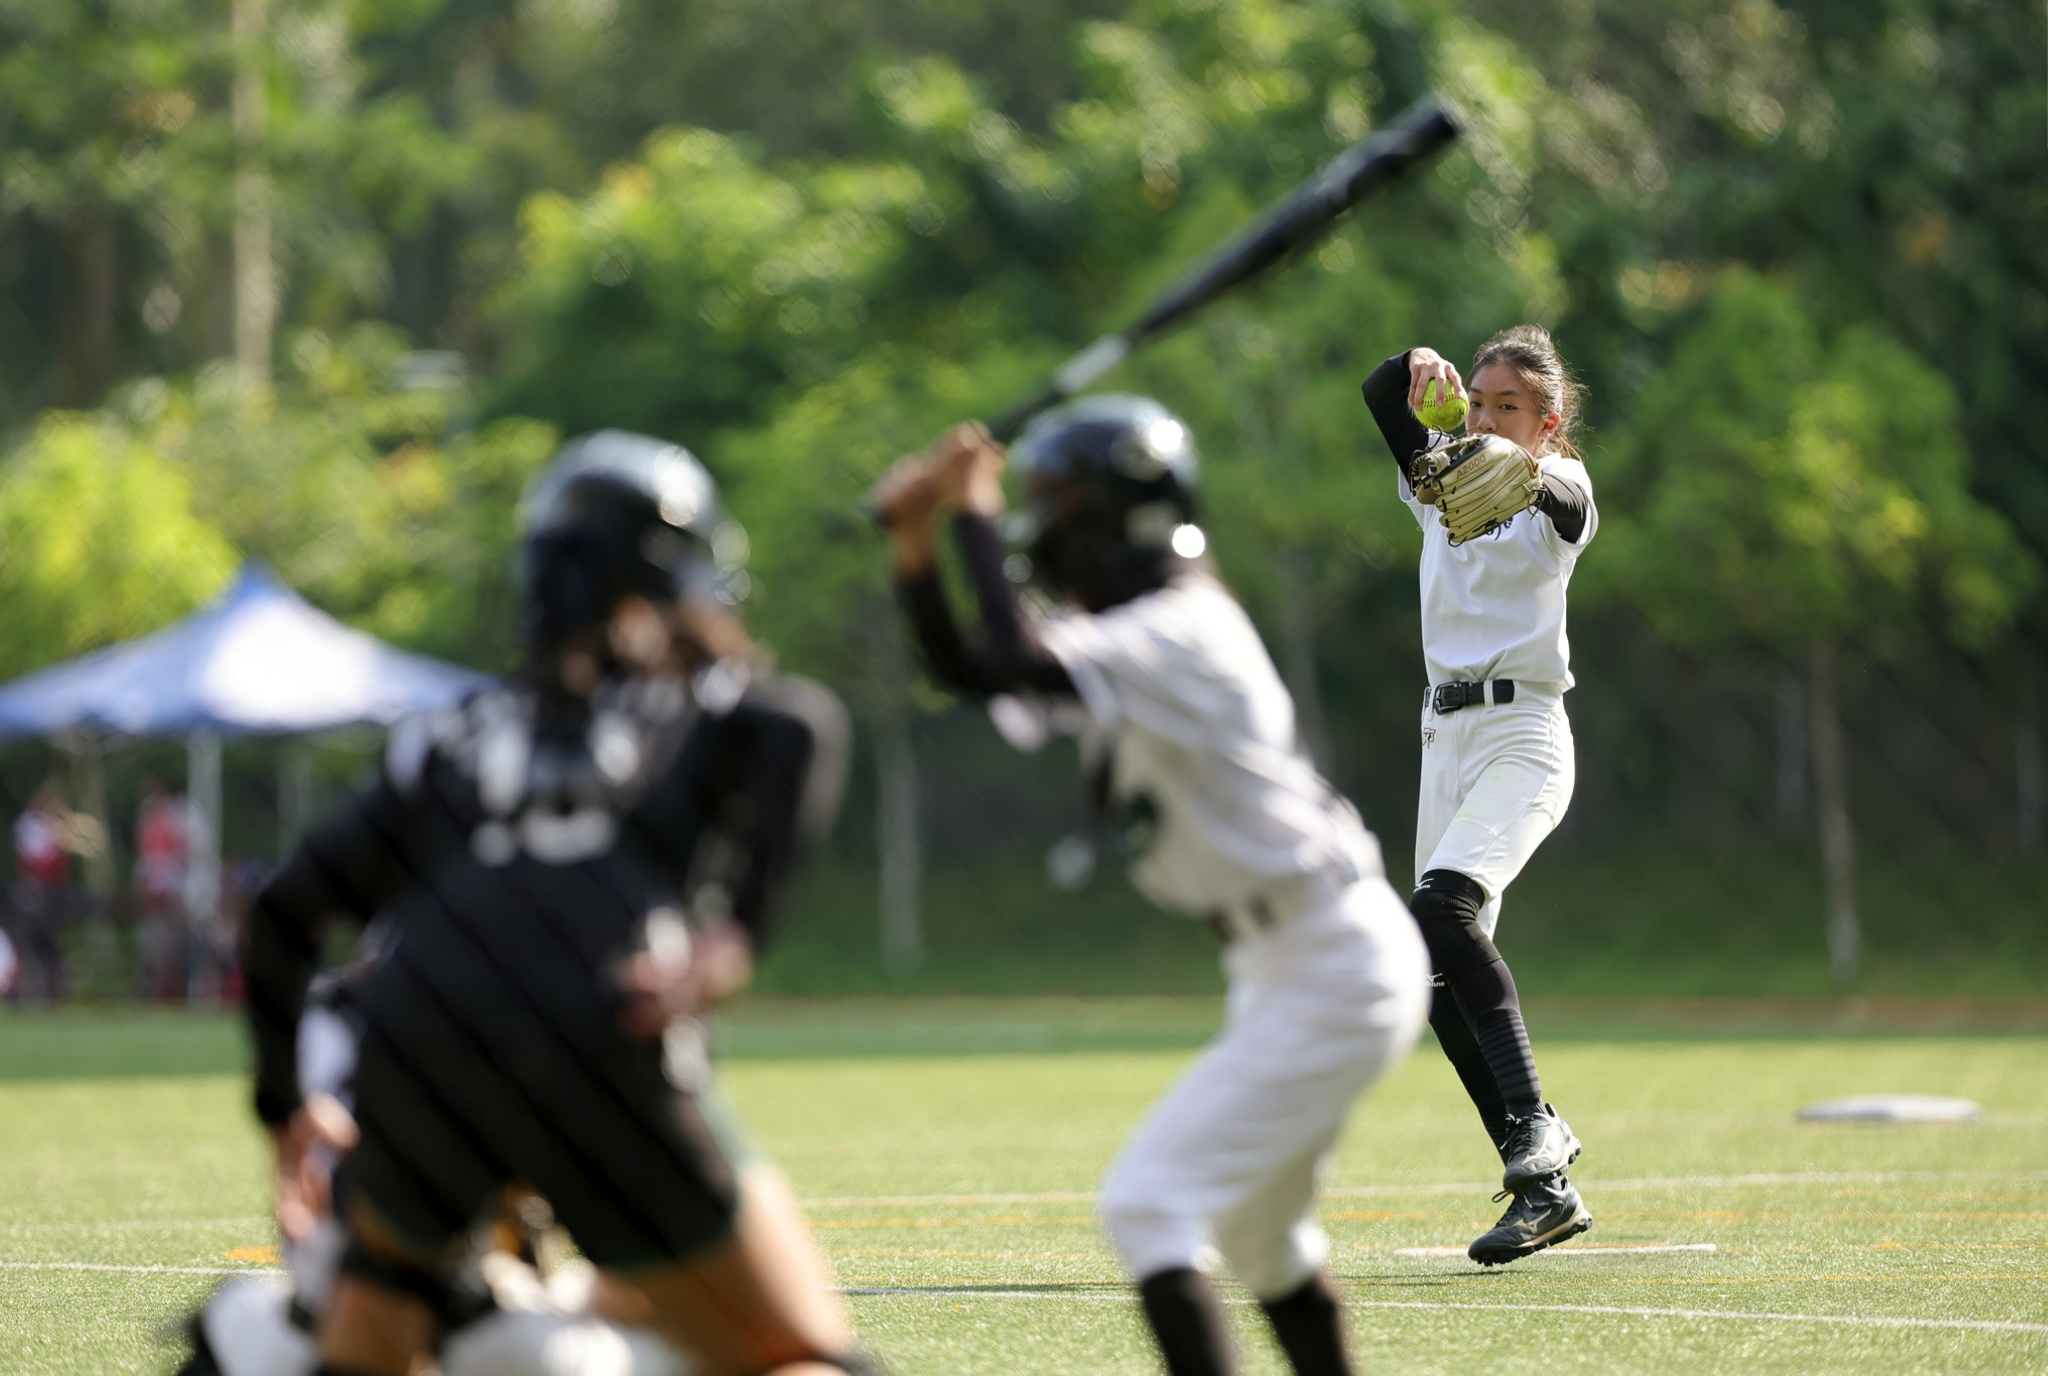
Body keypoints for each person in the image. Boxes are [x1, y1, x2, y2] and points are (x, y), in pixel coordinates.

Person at [240, 430, 866, 1376]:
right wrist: (733, 936)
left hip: (416, 1034)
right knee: (799, 1354)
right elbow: (801, 723)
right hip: (590, 1022)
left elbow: (282, 912)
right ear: (674, 566)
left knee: (371, 1348)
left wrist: (284, 1103)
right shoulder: (695, 695)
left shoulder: (453, 732)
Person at [872, 399, 1430, 1376]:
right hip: (1288, 956)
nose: (1036, 527)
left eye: (1053, 505)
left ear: (1104, 519)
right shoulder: (1140, 631)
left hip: (1331, 950)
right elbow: (976, 667)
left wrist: (968, 507)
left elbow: (1008, 652)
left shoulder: (1180, 627)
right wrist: (918, 545)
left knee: (1146, 1200)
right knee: (1263, 1241)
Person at [1357, 325, 1597, 1265]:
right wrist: (1416, 366)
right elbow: (1381, 393)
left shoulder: (1557, 492)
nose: (1492, 418)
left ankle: (1538, 1125)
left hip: (1523, 734)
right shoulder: (1440, 482)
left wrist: (1523, 466)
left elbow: (1569, 501)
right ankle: (1542, 1186)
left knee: (1442, 910)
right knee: (1428, 962)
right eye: (1483, 400)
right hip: (1443, 741)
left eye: (1512, 407)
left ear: (1548, 420)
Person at [134, 776, 195, 1002]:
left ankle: (174, 990)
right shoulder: (146, 821)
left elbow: (187, 854)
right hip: (154, 893)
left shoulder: (179, 819)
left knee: (174, 946)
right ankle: (153, 990)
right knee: (152, 946)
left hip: (172, 891)